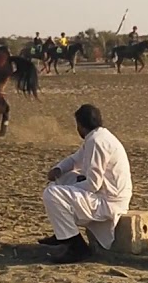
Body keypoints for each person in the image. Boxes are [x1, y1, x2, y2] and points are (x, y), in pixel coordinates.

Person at [39, 104, 133, 264]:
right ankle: (63, 233)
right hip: (102, 194)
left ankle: (77, 247)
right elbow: (76, 160)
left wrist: (66, 191)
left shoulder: (97, 141)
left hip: (109, 201)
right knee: (61, 180)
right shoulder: (97, 136)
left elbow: (93, 184)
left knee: (52, 194)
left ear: (80, 126)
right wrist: (58, 169)